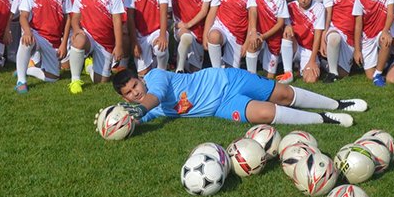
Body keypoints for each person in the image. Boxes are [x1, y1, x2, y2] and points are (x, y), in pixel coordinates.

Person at [113, 67, 366, 126]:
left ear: (140, 78)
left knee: (284, 94)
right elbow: (134, 120)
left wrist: (142, 108)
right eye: (130, 94)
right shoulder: (146, 108)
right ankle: (326, 118)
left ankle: (339, 103)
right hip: (221, 105)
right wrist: (112, 120)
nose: (136, 92)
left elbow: (153, 98)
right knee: (265, 114)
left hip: (228, 79)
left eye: (135, 85)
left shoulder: (155, 77)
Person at [66, 0, 126, 94]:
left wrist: (118, 45)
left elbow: (117, 21)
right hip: (88, 37)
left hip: (106, 42)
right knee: (79, 40)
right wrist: (76, 30)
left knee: (101, 81)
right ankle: (75, 81)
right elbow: (75, 17)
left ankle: (89, 66)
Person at [15, 0, 74, 93]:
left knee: (54, 77)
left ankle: (28, 69)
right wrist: (28, 31)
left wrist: (64, 43)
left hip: (53, 41)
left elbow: (68, 19)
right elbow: (23, 16)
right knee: (26, 40)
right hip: (37, 35)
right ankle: (21, 81)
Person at [204, 0, 258, 70]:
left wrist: (247, 41)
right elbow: (212, 13)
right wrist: (205, 35)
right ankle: (216, 71)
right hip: (221, 28)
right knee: (214, 36)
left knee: (232, 71)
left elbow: (252, 15)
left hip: (237, 34)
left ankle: (225, 69)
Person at [320, 0, 364, 82]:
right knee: (334, 38)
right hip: (337, 29)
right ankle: (332, 73)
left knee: (344, 73)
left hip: (353, 34)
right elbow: (328, 14)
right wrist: (324, 36)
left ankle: (325, 64)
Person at [169, 0, 213, 73]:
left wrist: (188, 24)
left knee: (195, 71)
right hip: (181, 29)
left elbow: (204, 11)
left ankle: (185, 65)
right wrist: (174, 24)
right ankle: (179, 69)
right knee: (186, 36)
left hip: (198, 30)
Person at [356, 0, 394, 86]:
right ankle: (386, 62)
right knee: (369, 75)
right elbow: (358, 25)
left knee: (385, 39)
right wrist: (357, 50)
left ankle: (378, 74)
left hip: (380, 32)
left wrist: (385, 30)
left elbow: (390, 14)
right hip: (367, 36)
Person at [249, 0, 290, 76]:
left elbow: (280, 23)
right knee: (252, 42)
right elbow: (253, 12)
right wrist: (253, 32)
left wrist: (264, 36)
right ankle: (251, 76)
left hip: (273, 38)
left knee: (270, 76)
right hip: (258, 34)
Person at [288, 0, 326, 84]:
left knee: (310, 79)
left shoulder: (319, 8)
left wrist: (312, 60)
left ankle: (317, 62)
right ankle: (288, 70)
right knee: (287, 34)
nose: (303, 0)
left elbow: (317, 36)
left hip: (308, 50)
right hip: (294, 47)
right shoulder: (289, 7)